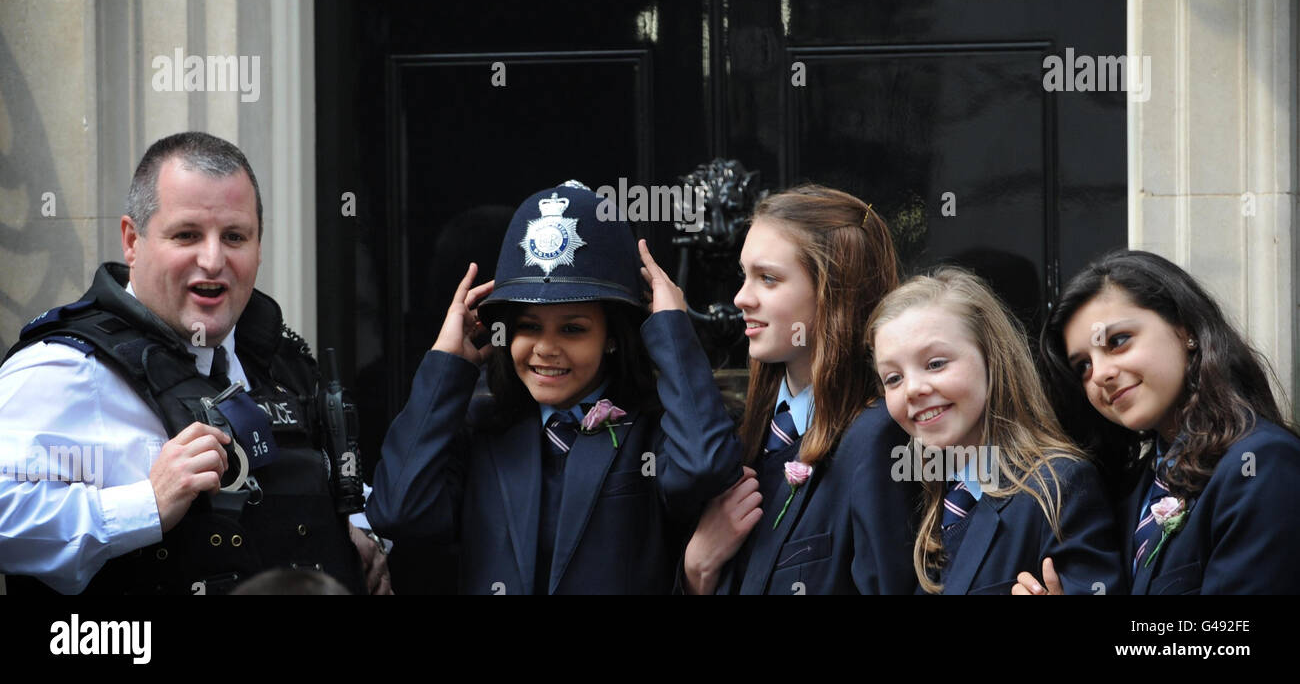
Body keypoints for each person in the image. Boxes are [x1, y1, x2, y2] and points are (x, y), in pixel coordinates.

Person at [0, 131, 383, 594]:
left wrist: (356, 532)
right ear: (132, 241)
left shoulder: (277, 359)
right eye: (187, 235)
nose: (213, 259)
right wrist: (147, 504)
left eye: (235, 236)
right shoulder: (65, 368)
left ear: (259, 246)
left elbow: (317, 480)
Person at [365, 181, 744, 593]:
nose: (546, 348)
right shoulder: (482, 431)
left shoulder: (653, 431)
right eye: (528, 327)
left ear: (612, 337)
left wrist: (672, 333)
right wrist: (446, 365)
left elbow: (705, 468)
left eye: (573, 329)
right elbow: (396, 510)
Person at [682, 185, 916, 594]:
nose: (740, 298)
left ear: (834, 290)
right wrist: (698, 570)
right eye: (744, 275)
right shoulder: (748, 435)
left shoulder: (875, 438)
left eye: (768, 279)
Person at [1038, 249, 1300, 594]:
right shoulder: (1133, 488)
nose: (1100, 374)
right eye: (1083, 366)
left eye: (1118, 341)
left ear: (1186, 330)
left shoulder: (1261, 464)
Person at [869, 267, 1125, 594]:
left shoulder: (1059, 486)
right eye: (893, 378)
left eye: (935, 364)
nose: (912, 389)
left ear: (993, 359)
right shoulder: (921, 501)